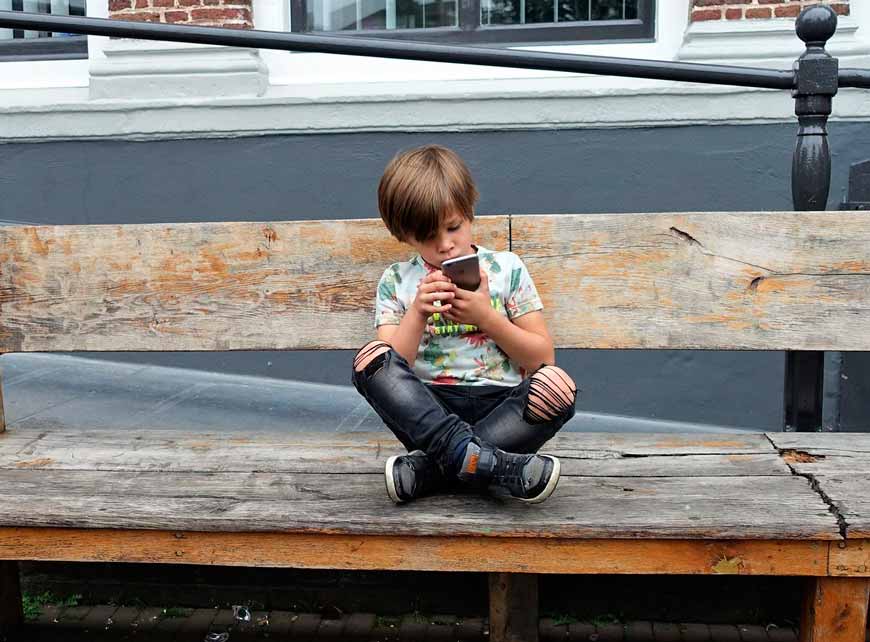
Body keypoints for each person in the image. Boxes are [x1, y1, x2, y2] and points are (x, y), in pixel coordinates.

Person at [351, 144, 578, 505]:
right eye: (428, 237)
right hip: (429, 410)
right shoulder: (396, 280)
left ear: (469, 211)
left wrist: (486, 317)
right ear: (404, 235)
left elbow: (540, 358)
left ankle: (433, 469)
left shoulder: (507, 269)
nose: (445, 246)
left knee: (558, 386)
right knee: (371, 360)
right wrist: (418, 315)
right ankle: (493, 465)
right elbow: (394, 370)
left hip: (502, 405)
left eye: (453, 227)